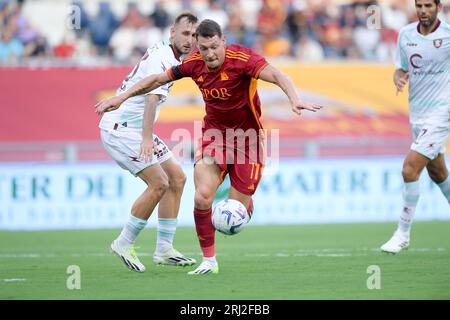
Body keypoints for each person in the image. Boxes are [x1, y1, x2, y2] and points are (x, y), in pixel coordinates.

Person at [96, 19, 322, 275]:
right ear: (198, 47)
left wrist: (295, 99)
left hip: (249, 140)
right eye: (204, 48)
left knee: (237, 211)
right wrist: (121, 97)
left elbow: (279, 75)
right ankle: (209, 260)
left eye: (214, 46)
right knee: (203, 196)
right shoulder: (193, 64)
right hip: (214, 137)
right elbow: (156, 80)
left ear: (223, 41)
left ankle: (241, 209)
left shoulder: (243, 59)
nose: (210, 54)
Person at [99, 13, 199, 272]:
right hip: (121, 129)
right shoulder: (163, 58)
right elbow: (151, 99)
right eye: (185, 34)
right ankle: (123, 242)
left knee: (177, 178)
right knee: (159, 183)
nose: (190, 40)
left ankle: (164, 249)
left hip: (134, 127)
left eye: (194, 35)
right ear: (172, 33)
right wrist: (146, 139)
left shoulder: (169, 54)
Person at [381, 0, 449, 254]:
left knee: (409, 170)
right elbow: (401, 69)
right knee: (438, 173)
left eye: (428, 5)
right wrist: (398, 76)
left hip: (442, 114)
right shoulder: (405, 34)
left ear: (438, 7)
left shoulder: (448, 36)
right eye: (419, 5)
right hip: (417, 115)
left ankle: (403, 233)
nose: (423, 10)